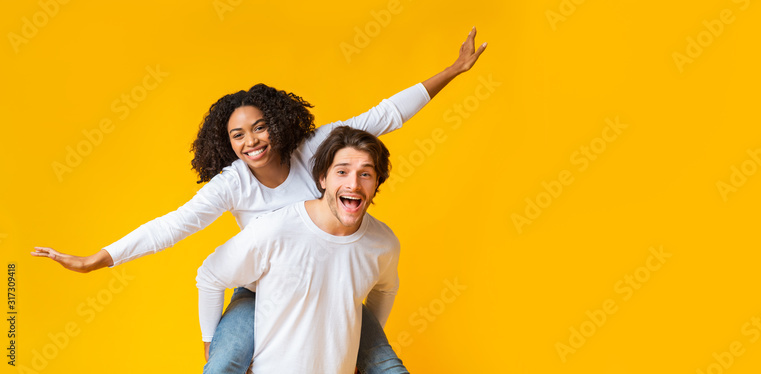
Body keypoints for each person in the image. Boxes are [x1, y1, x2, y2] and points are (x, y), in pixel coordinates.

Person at [32, 28, 488, 374]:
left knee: (386, 366)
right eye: (237, 135)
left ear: (278, 123)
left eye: (259, 127)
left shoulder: (315, 147)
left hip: (331, 282)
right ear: (226, 143)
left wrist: (453, 70)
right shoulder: (233, 184)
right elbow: (173, 226)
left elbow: (386, 115)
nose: (251, 141)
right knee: (224, 363)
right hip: (262, 287)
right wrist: (98, 259)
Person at [197, 126, 398, 374]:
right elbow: (210, 275)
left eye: (365, 174)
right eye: (342, 172)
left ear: (377, 182)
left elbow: (386, 289)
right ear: (323, 179)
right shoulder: (275, 229)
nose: (353, 184)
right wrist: (211, 342)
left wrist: (361, 348)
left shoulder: (383, 243)